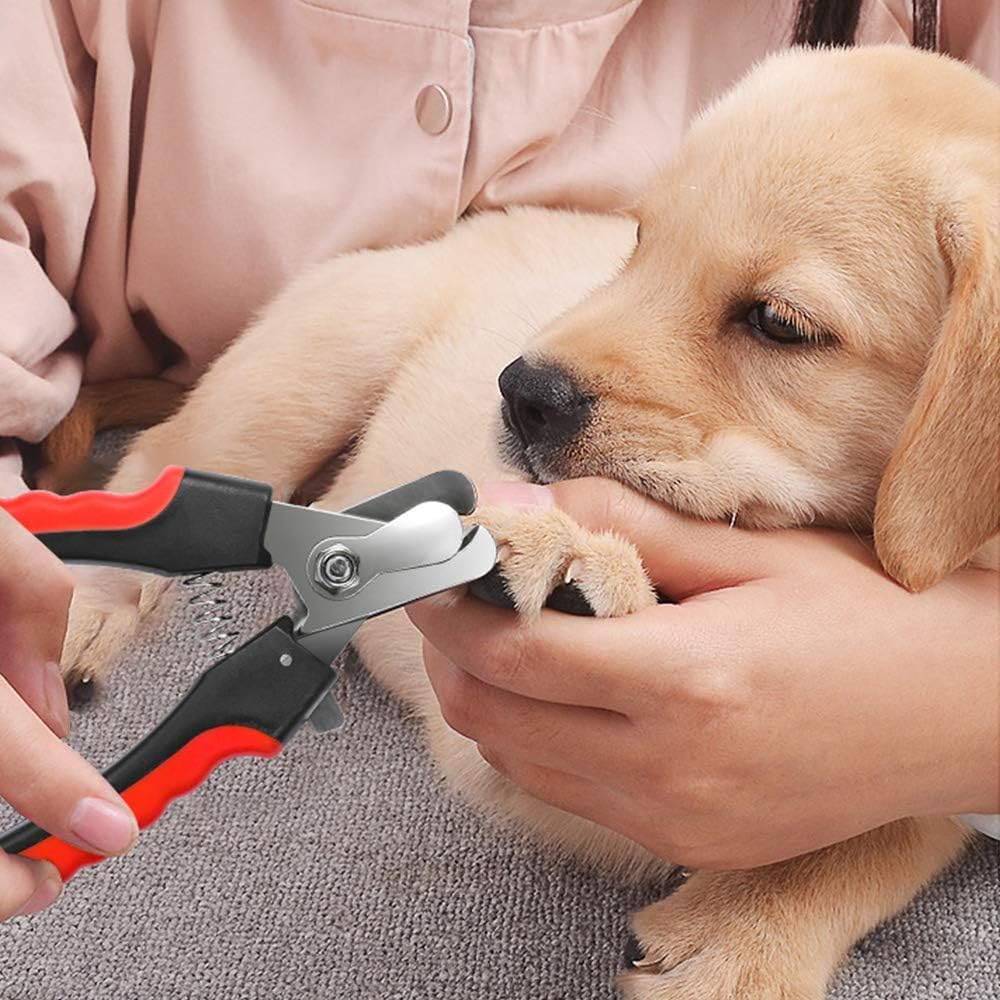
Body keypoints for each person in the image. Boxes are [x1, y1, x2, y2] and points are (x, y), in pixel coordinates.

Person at [1, 0, 997, 919]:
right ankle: (139, 513)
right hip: (382, 354)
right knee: (354, 321)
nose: (545, 369)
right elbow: (491, 740)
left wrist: (951, 711)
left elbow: (924, 795)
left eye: (777, 321)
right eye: (642, 238)